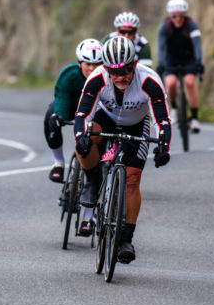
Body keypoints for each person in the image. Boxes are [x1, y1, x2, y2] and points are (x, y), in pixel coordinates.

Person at [73, 36, 171, 263]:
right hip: (105, 119)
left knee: (132, 180)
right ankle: (93, 180)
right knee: (84, 142)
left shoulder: (149, 80)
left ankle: (126, 238)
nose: (119, 77)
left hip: (137, 124)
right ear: (106, 68)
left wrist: (163, 146)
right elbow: (82, 115)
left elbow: (162, 120)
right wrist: (80, 139)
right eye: (113, 72)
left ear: (134, 64)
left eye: (125, 70)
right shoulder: (97, 78)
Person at [44, 38, 103, 185]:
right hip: (72, 107)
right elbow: (62, 97)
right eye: (88, 64)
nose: (92, 68)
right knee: (51, 116)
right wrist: (59, 116)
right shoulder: (68, 75)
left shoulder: (108, 76)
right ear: (79, 63)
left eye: (97, 64)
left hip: (96, 110)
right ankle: (58, 163)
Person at [156, 0, 205, 132]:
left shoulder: (191, 25)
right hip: (171, 59)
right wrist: (160, 64)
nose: (177, 18)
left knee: (189, 83)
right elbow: (160, 48)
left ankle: (194, 118)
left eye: (180, 16)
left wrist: (199, 62)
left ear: (185, 15)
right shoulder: (165, 27)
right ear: (170, 15)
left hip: (188, 58)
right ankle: (175, 109)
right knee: (170, 83)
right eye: (174, 16)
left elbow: (197, 46)